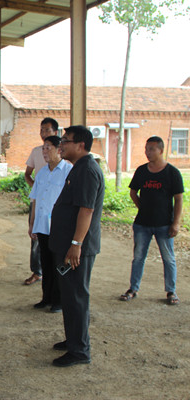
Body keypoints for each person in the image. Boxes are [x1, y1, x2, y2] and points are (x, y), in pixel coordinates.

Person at [49, 126, 104, 367]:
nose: (61, 145)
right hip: (68, 244)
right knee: (70, 296)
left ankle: (80, 350)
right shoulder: (78, 168)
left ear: (81, 145)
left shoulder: (87, 170)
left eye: (66, 141)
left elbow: (87, 210)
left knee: (76, 297)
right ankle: (74, 339)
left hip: (77, 248)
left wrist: (76, 244)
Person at [119, 136, 184, 305]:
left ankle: (171, 291)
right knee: (138, 257)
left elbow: (178, 200)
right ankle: (133, 288)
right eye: (146, 149)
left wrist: (176, 223)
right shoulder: (141, 171)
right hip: (142, 224)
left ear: (161, 150)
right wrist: (142, 207)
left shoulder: (172, 173)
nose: (147, 152)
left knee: (168, 258)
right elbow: (133, 192)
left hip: (165, 224)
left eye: (151, 149)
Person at [28, 136, 72, 313]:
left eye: (48, 148)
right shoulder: (42, 173)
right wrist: (32, 224)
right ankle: (46, 298)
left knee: (58, 264)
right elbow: (35, 199)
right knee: (45, 263)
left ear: (59, 149)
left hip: (59, 227)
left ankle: (58, 301)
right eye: (43, 148)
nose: (44, 152)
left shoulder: (68, 171)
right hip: (42, 226)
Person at [24, 117, 59, 285]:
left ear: (55, 132)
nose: (43, 133)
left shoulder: (64, 162)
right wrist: (37, 189)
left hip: (54, 205)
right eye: (41, 130)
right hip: (38, 202)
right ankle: (37, 271)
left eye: (47, 130)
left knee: (55, 239)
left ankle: (54, 273)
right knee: (36, 238)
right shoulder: (36, 152)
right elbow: (27, 174)